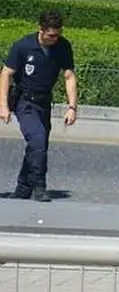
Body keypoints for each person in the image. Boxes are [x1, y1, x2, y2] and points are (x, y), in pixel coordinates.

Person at [0, 10, 78, 202]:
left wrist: (72, 107)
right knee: (37, 140)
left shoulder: (63, 46)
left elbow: (69, 76)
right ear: (41, 30)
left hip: (44, 102)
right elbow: (6, 74)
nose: (54, 39)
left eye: (58, 34)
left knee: (38, 145)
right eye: (51, 35)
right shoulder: (23, 46)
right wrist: (3, 105)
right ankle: (39, 185)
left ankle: (22, 188)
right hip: (24, 101)